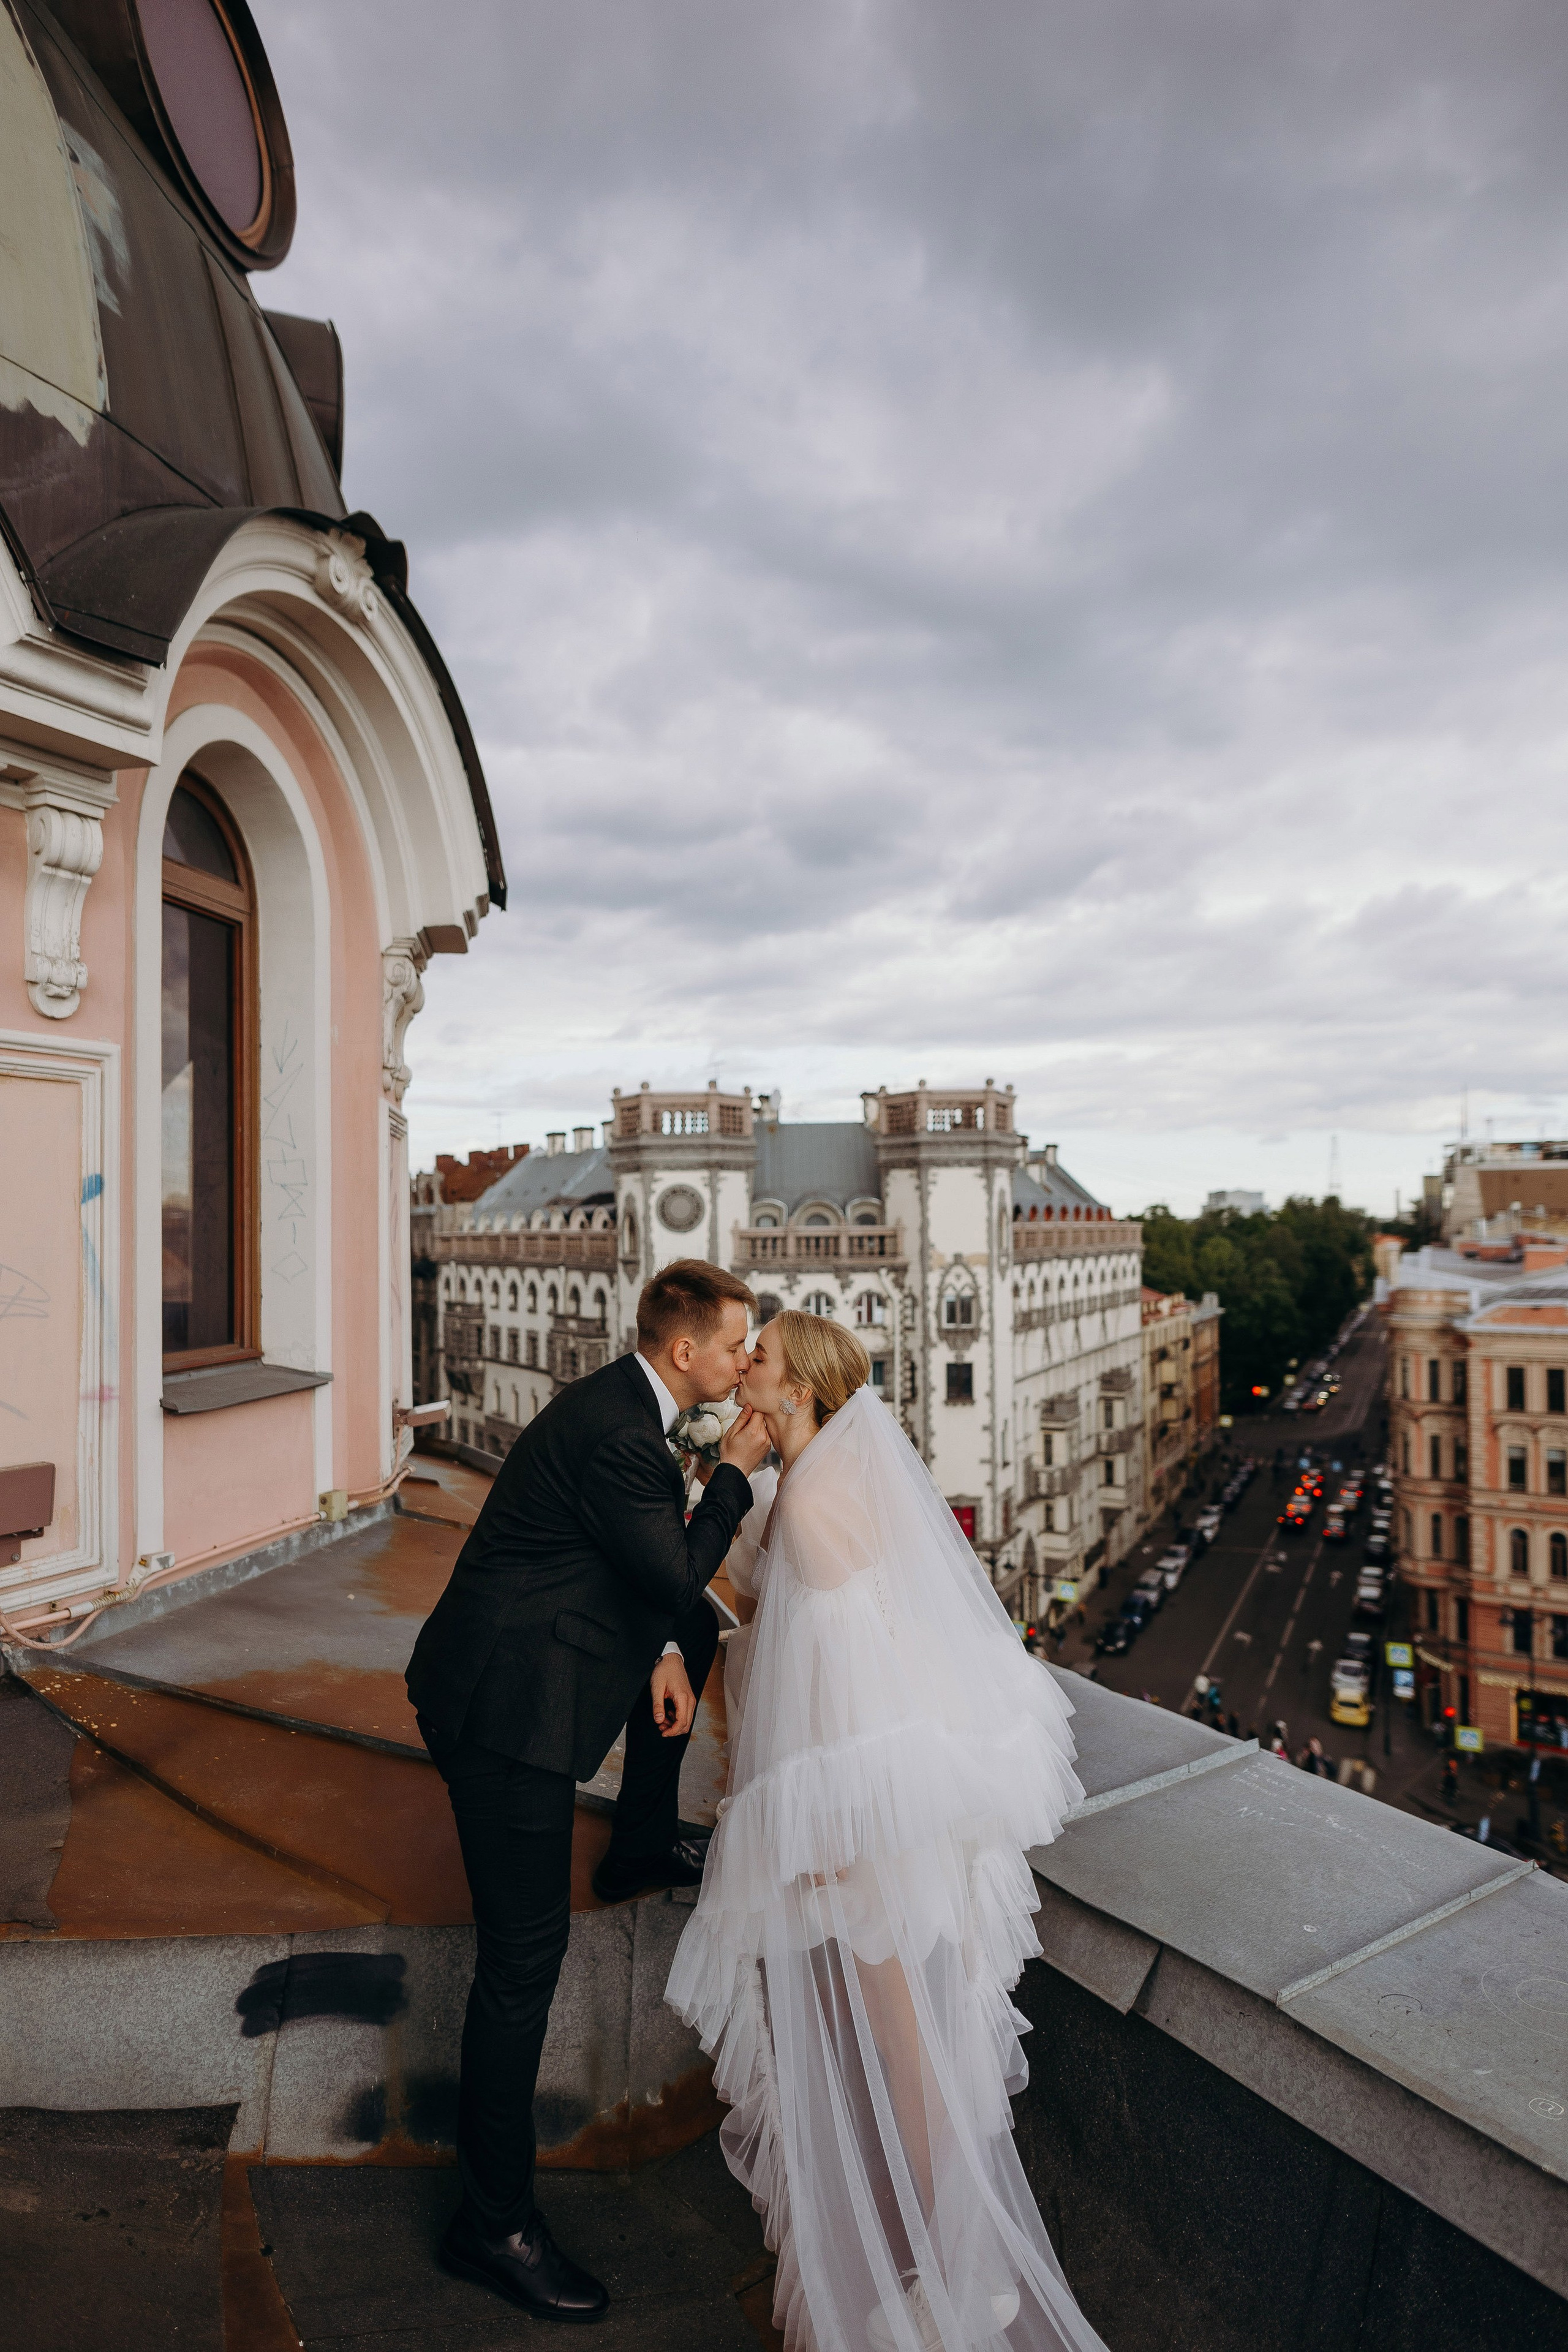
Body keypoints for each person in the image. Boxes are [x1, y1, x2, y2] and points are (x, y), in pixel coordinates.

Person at [667, 1311, 1107, 2352]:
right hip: (885, 1812)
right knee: (908, 2037)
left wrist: (831, 1837)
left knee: (907, 2048)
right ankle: (946, 2258)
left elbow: (843, 1687)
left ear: (801, 1391)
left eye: (759, 1360)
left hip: (864, 1828)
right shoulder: (818, 1481)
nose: (744, 1368)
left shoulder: (815, 1506)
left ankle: (965, 2272)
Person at [405, 1259, 772, 2320]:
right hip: (501, 1713)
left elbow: (650, 1577)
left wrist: (665, 1642)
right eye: (738, 1344)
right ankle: (495, 2224)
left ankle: (640, 1845)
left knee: (689, 1631)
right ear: (684, 1351)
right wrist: (736, 1473)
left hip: (524, 1664)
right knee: (523, 1964)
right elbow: (670, 1565)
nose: (748, 1360)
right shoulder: (621, 1430)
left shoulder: (630, 1404)